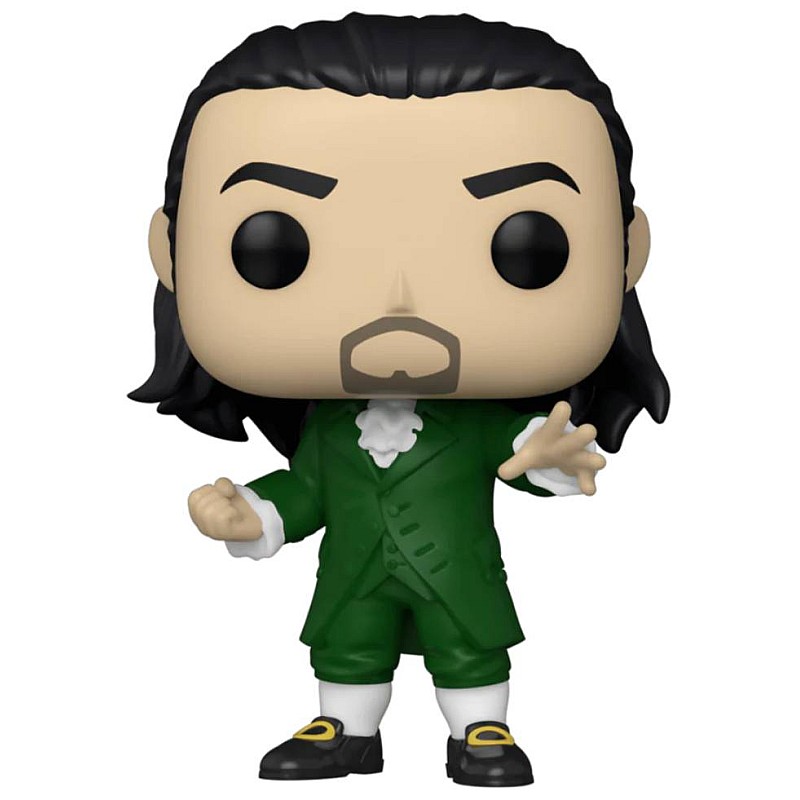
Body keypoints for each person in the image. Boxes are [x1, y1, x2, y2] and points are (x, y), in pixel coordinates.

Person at [131, 12, 669, 787]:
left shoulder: (478, 424)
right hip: (355, 574)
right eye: (272, 247)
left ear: (627, 252)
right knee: (348, 647)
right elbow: (307, 490)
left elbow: (520, 452)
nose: (399, 306)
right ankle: (344, 730)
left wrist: (546, 455)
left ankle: (481, 728)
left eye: (528, 247)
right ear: (170, 252)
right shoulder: (330, 430)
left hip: (455, 573)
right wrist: (253, 513)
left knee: (468, 650)